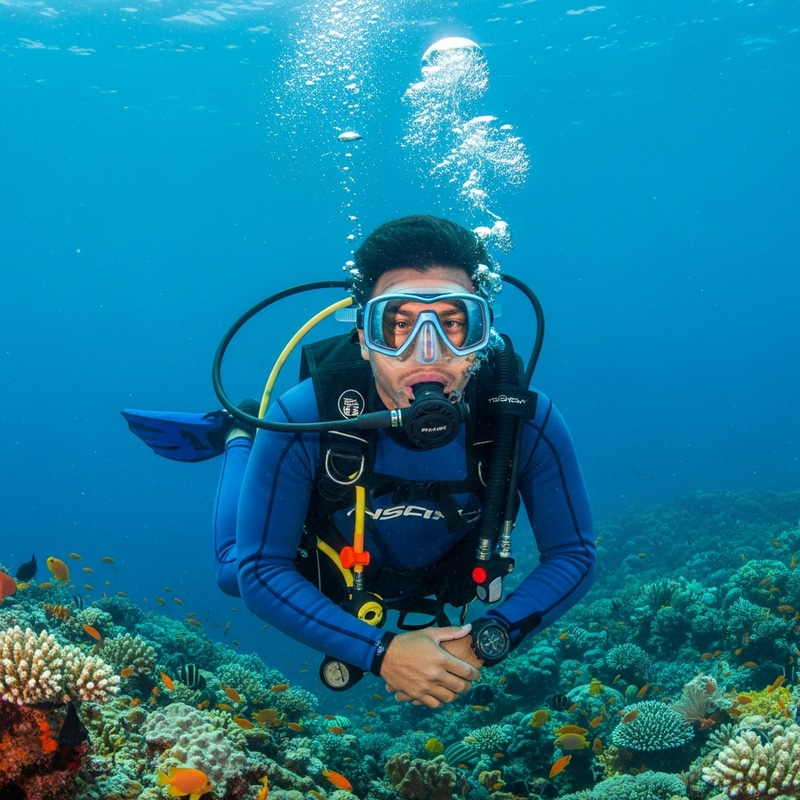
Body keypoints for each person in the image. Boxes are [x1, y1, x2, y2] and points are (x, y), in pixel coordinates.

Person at [123, 215, 595, 708]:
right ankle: (241, 434)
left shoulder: (524, 419)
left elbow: (575, 554)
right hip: (338, 564)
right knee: (232, 570)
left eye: (455, 324)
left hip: (444, 568)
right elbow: (262, 569)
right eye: (397, 325)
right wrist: (382, 652)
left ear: (483, 337)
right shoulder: (305, 415)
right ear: (365, 339)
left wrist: (488, 638)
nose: (427, 354)